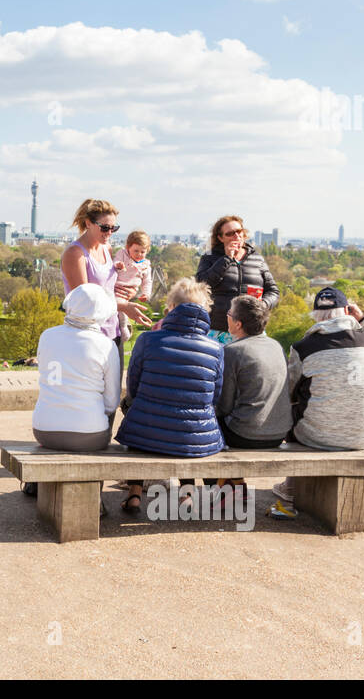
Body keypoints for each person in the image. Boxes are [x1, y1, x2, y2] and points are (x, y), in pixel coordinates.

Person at [270, 288, 364, 519]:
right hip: (361, 438)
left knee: (295, 409)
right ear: (348, 311)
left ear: (316, 315)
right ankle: (294, 485)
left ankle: (292, 485)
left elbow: (289, 391)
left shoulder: (303, 347)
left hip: (312, 437)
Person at [116, 282, 224, 513]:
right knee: (187, 426)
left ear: (172, 307)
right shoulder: (215, 347)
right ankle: (188, 495)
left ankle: (134, 493)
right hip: (194, 439)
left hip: (146, 434)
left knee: (138, 413)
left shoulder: (147, 340)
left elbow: (133, 387)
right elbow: (214, 396)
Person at [32, 284, 122, 453]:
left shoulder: (47, 336)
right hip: (89, 434)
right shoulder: (106, 345)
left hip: (43, 430)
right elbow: (111, 403)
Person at [62, 199, 152, 361]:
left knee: (114, 387)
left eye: (113, 228)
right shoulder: (75, 254)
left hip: (113, 331)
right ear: (88, 223)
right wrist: (123, 306)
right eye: (105, 227)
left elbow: (108, 286)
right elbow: (85, 303)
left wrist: (130, 290)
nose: (109, 233)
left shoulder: (106, 248)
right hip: (88, 336)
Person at [218, 294, 291, 449]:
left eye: (229, 314)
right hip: (279, 433)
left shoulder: (232, 351)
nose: (226, 316)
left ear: (238, 324)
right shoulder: (276, 346)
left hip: (244, 434)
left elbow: (224, 406)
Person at [196, 215, 279, 340]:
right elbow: (200, 286)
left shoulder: (256, 259)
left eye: (239, 231)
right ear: (220, 238)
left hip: (252, 330)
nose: (236, 236)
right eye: (230, 233)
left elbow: (273, 291)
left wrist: (262, 305)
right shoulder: (210, 257)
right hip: (219, 330)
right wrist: (226, 259)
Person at [112, 229, 153, 343]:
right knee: (121, 310)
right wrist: (118, 265)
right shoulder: (122, 254)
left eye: (142, 252)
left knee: (124, 309)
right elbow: (115, 262)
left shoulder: (145, 265)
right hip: (117, 288)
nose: (139, 255)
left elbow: (147, 281)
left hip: (130, 290)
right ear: (128, 247)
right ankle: (124, 330)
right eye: (136, 251)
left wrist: (145, 294)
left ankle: (123, 330)